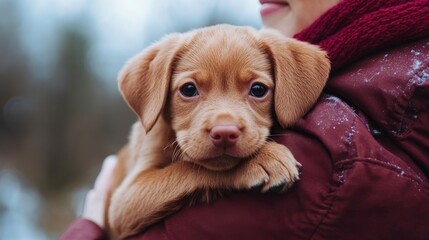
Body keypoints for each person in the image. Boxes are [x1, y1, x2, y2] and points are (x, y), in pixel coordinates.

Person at [61, 0, 429, 239]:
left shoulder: (331, 152)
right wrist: (232, 174)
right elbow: (124, 212)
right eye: (190, 91)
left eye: (256, 90)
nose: (224, 125)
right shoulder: (161, 128)